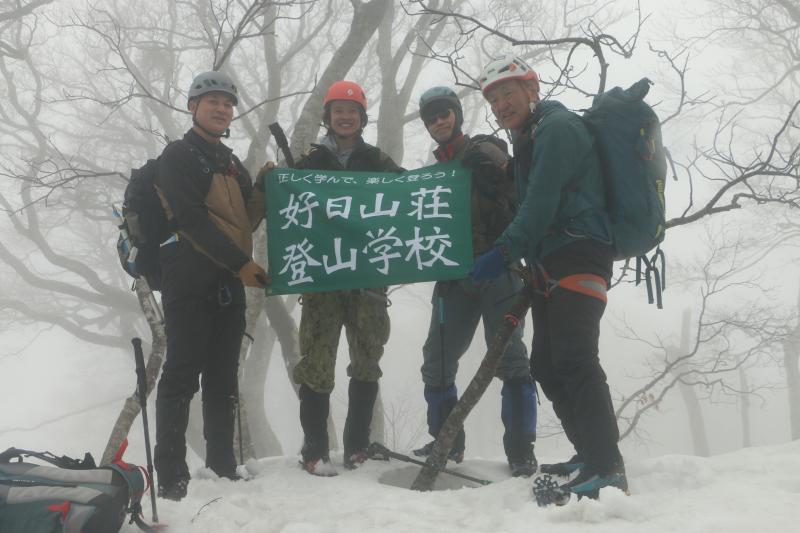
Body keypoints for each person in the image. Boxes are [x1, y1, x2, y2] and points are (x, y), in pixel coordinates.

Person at [471, 54, 628, 498]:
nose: (502, 104)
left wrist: (502, 252)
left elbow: (539, 205)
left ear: (532, 90)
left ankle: (607, 465)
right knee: (545, 363)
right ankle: (588, 452)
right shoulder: (529, 140)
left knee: (576, 357)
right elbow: (530, 206)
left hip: (580, 252)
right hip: (550, 263)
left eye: (509, 93)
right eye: (494, 99)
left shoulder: (557, 128)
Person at [153, 70, 269, 501]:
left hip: (226, 279)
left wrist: (264, 188)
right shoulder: (178, 156)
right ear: (193, 107)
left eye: (227, 102)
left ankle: (222, 464)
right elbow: (191, 218)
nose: (222, 109)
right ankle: (171, 474)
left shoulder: (232, 164)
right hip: (188, 277)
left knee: (223, 375)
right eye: (212, 101)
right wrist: (242, 263)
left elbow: (242, 222)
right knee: (182, 374)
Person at [411, 86, 537, 477]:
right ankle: (447, 442)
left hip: (498, 269)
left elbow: (523, 192)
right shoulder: (433, 175)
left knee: (510, 359)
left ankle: (520, 452)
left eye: (445, 113)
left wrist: (497, 174)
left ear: (457, 115)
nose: (439, 121)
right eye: (432, 117)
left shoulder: (485, 149)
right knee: (437, 361)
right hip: (454, 278)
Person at [291, 80, 403, 476]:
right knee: (317, 362)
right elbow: (288, 211)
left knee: (367, 358)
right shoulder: (309, 161)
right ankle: (315, 449)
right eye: (338, 109)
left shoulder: (377, 160)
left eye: (352, 111)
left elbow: (407, 196)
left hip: (368, 277)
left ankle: (357, 445)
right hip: (322, 279)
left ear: (361, 118)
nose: (345, 116)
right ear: (328, 115)